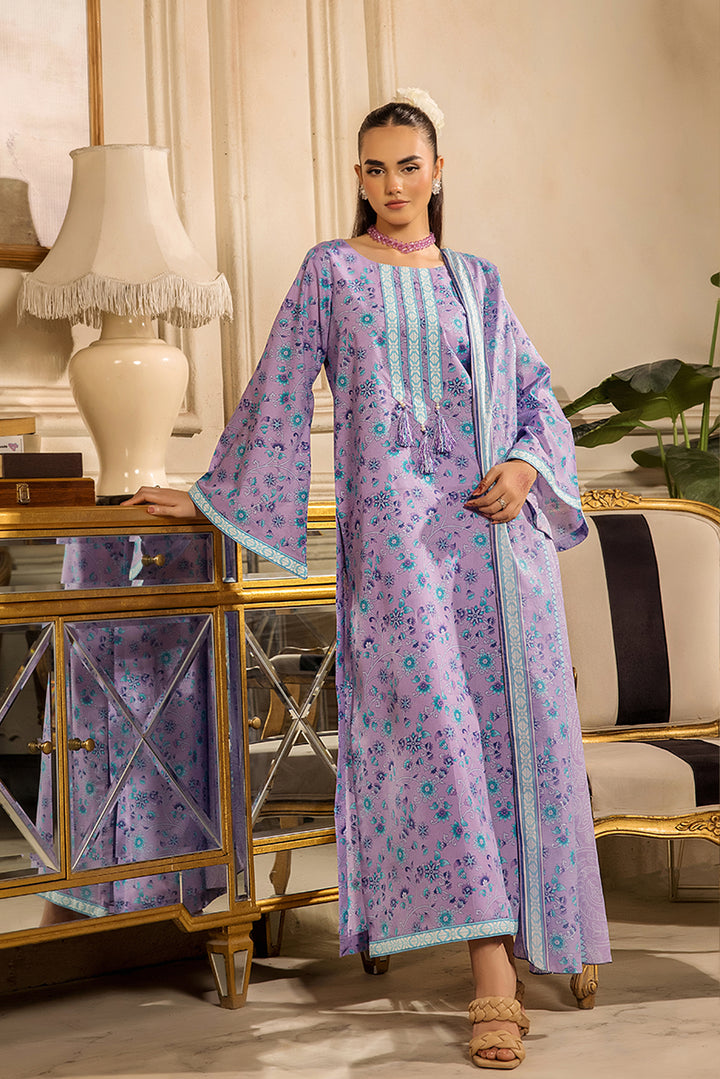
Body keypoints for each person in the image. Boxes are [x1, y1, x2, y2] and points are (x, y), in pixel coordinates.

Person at [125, 90, 611, 1070]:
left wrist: (525, 468)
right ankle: (492, 975)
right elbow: (274, 390)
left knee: (504, 740)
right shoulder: (331, 273)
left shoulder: (477, 281)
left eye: (409, 166)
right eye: (376, 168)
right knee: (442, 740)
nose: (393, 184)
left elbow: (534, 400)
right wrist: (207, 494)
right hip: (396, 555)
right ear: (359, 176)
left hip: (494, 550)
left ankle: (517, 944)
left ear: (438, 171)